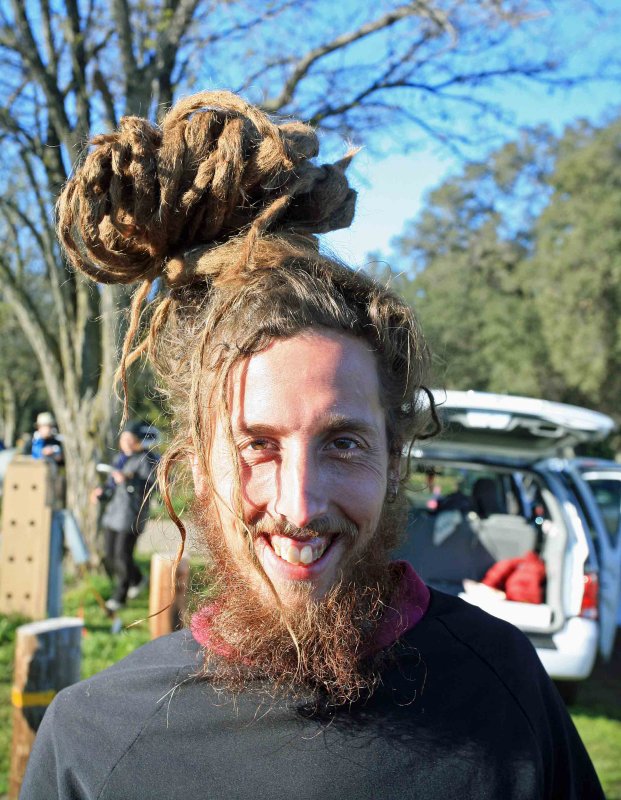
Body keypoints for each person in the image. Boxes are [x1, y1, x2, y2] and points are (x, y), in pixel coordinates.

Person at [21, 91, 604, 799]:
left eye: (344, 443)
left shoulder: (502, 690)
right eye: (256, 444)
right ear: (196, 469)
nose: (299, 505)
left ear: (395, 463)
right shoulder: (96, 742)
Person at [92, 422, 158, 612]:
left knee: (122, 555)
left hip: (132, 515)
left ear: (139, 441)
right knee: (110, 555)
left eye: (131, 439)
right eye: (124, 439)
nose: (127, 443)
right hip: (113, 514)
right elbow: (111, 486)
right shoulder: (120, 459)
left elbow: (153, 484)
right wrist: (100, 493)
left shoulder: (146, 459)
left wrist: (130, 479)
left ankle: (119, 598)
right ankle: (138, 579)